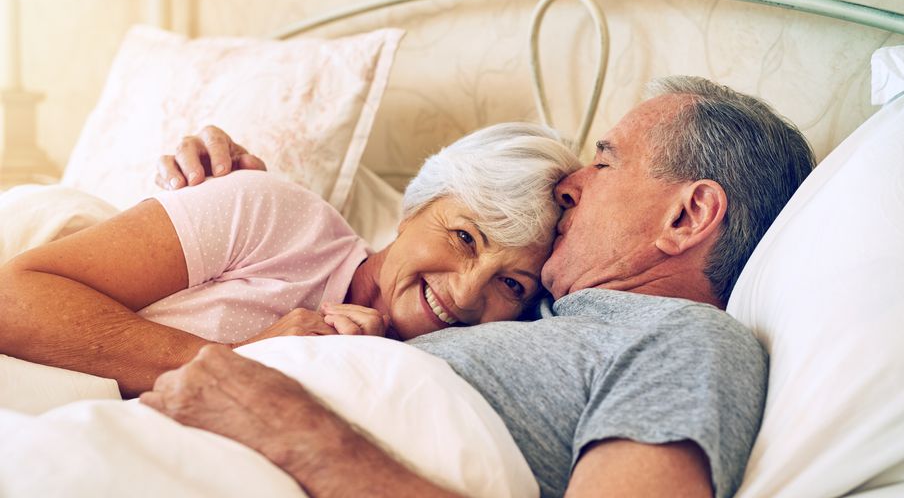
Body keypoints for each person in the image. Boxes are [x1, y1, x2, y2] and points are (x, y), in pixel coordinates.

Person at [142, 75, 815, 498]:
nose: (573, 183)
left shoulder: (685, 344)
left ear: (688, 216)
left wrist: (287, 424)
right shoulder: (534, 306)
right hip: (191, 440)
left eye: (606, 160)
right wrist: (244, 196)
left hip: (249, 475)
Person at [0, 123, 580, 397]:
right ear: (414, 211)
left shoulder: (433, 380)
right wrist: (242, 362)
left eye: (511, 283)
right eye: (465, 238)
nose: (468, 292)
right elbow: (14, 297)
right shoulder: (274, 213)